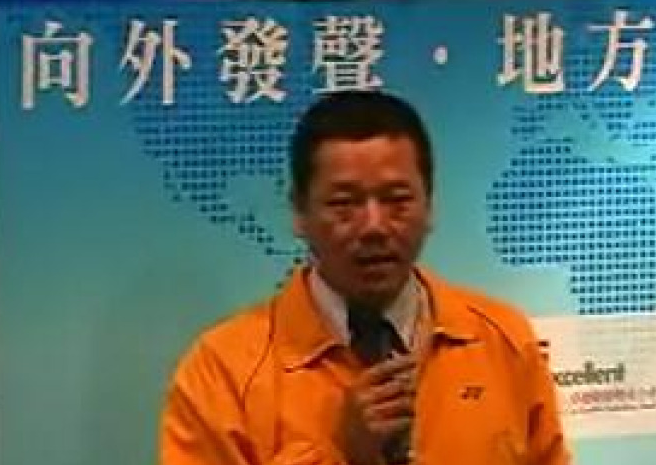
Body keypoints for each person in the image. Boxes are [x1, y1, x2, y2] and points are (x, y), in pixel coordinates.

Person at [159, 89, 571, 465]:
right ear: (299, 212)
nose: (374, 226)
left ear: (429, 206)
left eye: (397, 200)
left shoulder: (503, 341)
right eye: (345, 203)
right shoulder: (223, 372)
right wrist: (339, 455)